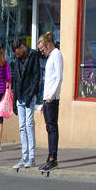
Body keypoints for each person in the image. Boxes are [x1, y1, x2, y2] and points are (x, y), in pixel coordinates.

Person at [9, 37, 41, 169]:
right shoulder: (17, 59)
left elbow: (36, 76)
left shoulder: (33, 55)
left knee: (28, 125)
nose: (16, 54)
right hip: (20, 97)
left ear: (23, 47)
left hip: (29, 96)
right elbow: (15, 79)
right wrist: (15, 98)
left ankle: (31, 157)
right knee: (22, 126)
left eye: (17, 51)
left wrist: (30, 94)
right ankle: (24, 156)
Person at [36, 33, 62, 171]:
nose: (42, 52)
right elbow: (49, 80)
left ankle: (53, 158)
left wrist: (51, 96)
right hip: (47, 99)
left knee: (52, 128)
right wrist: (43, 102)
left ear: (48, 45)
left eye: (42, 49)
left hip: (52, 99)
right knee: (49, 128)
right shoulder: (51, 56)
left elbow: (59, 77)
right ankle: (50, 157)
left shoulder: (56, 54)